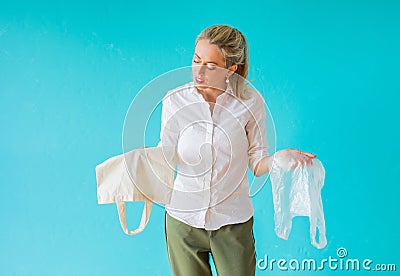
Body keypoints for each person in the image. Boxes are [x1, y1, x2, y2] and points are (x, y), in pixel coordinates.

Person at [157, 24, 316, 276]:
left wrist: (279, 159)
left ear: (231, 69)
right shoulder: (175, 100)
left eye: (211, 65)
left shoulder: (250, 103)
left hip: (232, 222)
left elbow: (257, 163)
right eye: (196, 59)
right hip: (182, 222)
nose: (199, 70)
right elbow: (164, 155)